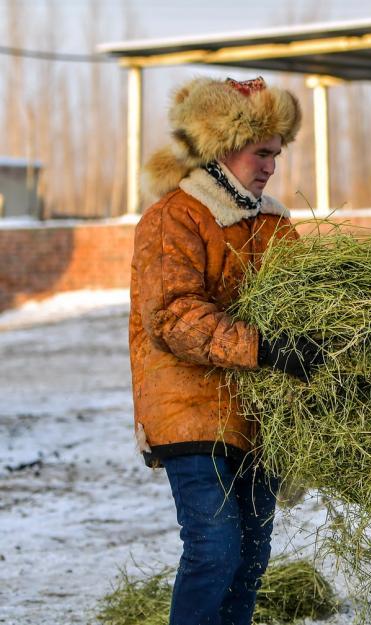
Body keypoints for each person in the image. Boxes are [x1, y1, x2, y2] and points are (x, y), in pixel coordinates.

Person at [128, 76, 320, 625]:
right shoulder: (174, 217)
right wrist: (266, 348)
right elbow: (172, 316)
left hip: (257, 414)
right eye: (262, 153)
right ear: (222, 146)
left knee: (251, 557)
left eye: (276, 155)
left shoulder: (274, 224)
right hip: (188, 409)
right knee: (215, 549)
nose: (271, 168)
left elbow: (301, 303)